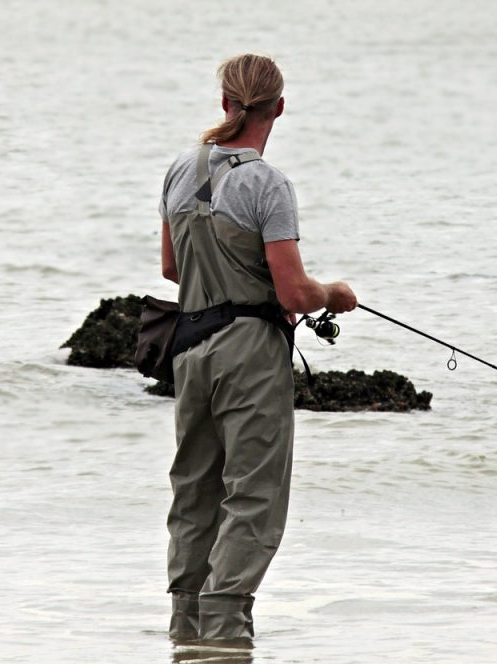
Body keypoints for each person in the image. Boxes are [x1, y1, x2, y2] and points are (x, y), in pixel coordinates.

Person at [158, 53, 357, 644]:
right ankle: (224, 630)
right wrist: (336, 295)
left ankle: (185, 631)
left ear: (225, 103)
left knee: (194, 491)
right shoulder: (267, 184)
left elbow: (172, 269)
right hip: (249, 352)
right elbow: (295, 291)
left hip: (189, 348)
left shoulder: (178, 170)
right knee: (254, 496)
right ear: (279, 108)